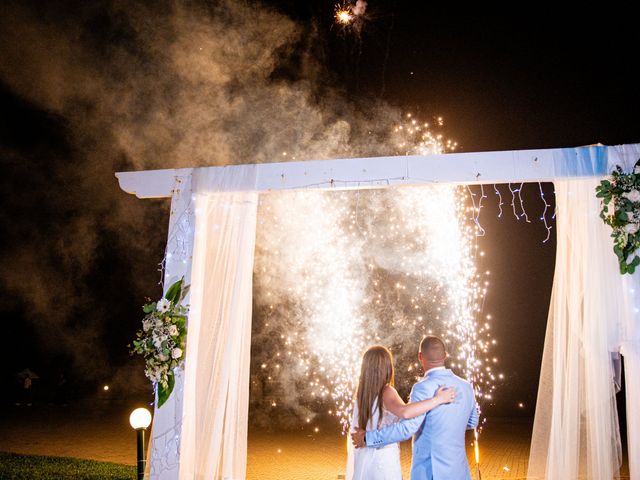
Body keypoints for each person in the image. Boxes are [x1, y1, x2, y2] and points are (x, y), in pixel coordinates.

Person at [351, 336, 479, 480]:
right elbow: (473, 421)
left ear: (420, 356)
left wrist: (368, 438)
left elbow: (407, 429)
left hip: (430, 471)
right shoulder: (466, 386)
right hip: (460, 471)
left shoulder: (422, 388)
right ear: (445, 355)